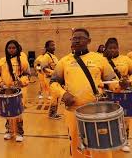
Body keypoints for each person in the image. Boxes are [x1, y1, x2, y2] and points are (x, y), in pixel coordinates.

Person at [50, 28, 128, 158]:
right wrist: (63, 94)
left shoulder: (99, 59)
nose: (76, 40)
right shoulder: (64, 61)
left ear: (89, 41)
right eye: (74, 38)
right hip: (73, 112)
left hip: (97, 112)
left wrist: (120, 85)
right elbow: (53, 83)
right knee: (77, 148)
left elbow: (112, 82)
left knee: (101, 149)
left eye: (80, 38)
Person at [0, 40, 30, 142]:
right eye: (9, 48)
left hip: (19, 90)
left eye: (13, 48)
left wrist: (21, 82)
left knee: (18, 112)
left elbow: (27, 74)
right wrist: (1, 84)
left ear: (17, 48)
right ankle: (9, 131)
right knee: (8, 112)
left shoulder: (23, 61)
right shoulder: (2, 61)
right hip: (6, 90)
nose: (11, 50)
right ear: (6, 49)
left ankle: (20, 133)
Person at [103, 37, 132, 152]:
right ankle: (110, 140)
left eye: (115, 48)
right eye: (110, 48)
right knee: (108, 118)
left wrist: (128, 81)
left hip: (123, 93)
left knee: (125, 118)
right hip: (108, 94)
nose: (113, 50)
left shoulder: (126, 59)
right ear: (106, 49)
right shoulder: (101, 60)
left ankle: (125, 140)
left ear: (118, 48)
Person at [40, 40, 61, 120]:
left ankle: (54, 113)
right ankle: (51, 114)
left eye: (54, 45)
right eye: (52, 45)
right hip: (49, 79)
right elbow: (44, 69)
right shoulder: (46, 57)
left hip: (55, 79)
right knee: (54, 96)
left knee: (56, 96)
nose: (54, 47)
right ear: (47, 47)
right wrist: (54, 73)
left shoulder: (53, 56)